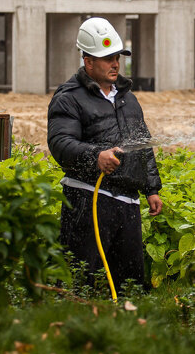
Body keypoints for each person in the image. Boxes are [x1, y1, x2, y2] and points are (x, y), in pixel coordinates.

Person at [47, 17, 163, 290]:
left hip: (128, 204)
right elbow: (60, 143)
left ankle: (126, 315)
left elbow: (142, 144)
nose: (115, 64)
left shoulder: (127, 98)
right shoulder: (69, 97)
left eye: (117, 58)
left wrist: (151, 189)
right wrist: (96, 156)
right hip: (88, 200)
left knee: (130, 282)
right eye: (108, 58)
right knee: (82, 280)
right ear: (88, 62)